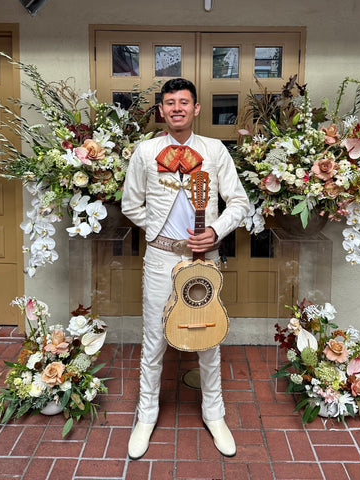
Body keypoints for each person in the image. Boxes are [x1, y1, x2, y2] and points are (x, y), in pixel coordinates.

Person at [121, 78, 249, 460]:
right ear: (161, 110)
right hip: (161, 258)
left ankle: (215, 413)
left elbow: (239, 203)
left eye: (184, 102)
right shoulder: (145, 152)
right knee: (154, 337)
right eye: (169, 103)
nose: (177, 108)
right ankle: (146, 415)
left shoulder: (214, 150)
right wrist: (160, 234)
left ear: (196, 109)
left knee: (208, 337)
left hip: (202, 260)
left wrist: (214, 231)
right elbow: (130, 204)